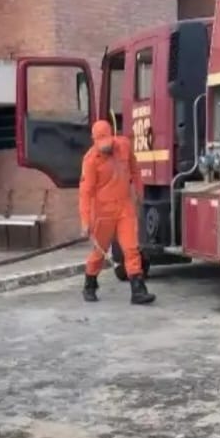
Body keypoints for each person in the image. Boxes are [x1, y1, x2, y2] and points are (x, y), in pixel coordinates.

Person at [80, 120, 155, 305]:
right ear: (94, 141)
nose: (106, 148)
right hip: (103, 212)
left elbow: (135, 171)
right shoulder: (90, 161)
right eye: (102, 144)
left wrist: (139, 192)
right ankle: (90, 284)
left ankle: (138, 290)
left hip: (124, 207)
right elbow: (85, 193)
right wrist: (85, 221)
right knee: (99, 252)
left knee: (131, 248)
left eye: (108, 143)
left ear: (112, 136)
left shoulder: (123, 146)